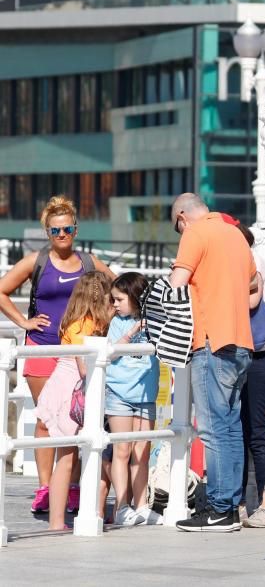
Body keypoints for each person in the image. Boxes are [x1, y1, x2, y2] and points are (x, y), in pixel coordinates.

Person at [0, 195, 113, 515]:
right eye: (55, 230)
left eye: (67, 229)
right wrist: (23, 321)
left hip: (79, 351)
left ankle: (72, 488)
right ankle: (46, 488)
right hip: (43, 347)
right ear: (47, 232)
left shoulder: (89, 263)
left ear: (75, 230)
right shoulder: (36, 262)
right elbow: (1, 290)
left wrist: (105, 324)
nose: (61, 235)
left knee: (77, 420)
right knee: (47, 419)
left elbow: (121, 290)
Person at [170, 193, 257, 533]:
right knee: (231, 427)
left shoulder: (195, 233)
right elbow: (253, 281)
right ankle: (230, 506)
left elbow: (176, 286)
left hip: (211, 341)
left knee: (213, 429)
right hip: (241, 342)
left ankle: (220, 508)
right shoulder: (234, 233)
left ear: (182, 218)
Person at [34, 271, 113, 531]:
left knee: (66, 456)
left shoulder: (72, 321)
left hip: (58, 385)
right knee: (67, 458)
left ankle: (57, 519)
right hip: (69, 392)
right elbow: (84, 368)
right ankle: (56, 521)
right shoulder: (86, 325)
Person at [231, 221, 265, 529]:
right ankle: (238, 501)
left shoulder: (252, 261)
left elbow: (252, 300)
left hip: (256, 351)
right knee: (236, 431)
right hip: (239, 349)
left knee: (257, 432)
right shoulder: (242, 260)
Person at [106, 272, 161, 526]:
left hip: (145, 394)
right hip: (118, 392)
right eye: (113, 299)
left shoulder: (155, 321)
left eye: (119, 299)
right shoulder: (116, 321)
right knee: (122, 450)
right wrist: (133, 331)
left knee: (142, 452)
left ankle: (141, 506)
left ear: (135, 297)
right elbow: (111, 353)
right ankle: (121, 507)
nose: (114, 304)